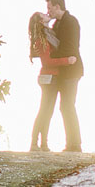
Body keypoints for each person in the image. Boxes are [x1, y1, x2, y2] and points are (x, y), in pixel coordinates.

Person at [28, 11, 77, 151]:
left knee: (48, 111)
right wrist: (67, 61)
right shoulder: (41, 38)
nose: (46, 13)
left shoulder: (49, 34)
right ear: (40, 21)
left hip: (53, 78)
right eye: (43, 14)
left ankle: (43, 144)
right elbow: (47, 61)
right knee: (44, 110)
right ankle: (34, 143)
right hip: (48, 78)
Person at [46, 0, 83, 152]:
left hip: (72, 70)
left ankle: (74, 145)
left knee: (68, 105)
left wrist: (50, 57)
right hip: (63, 70)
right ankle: (72, 144)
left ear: (57, 6)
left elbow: (71, 47)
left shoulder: (71, 21)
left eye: (49, 8)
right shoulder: (56, 24)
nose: (48, 11)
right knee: (64, 106)